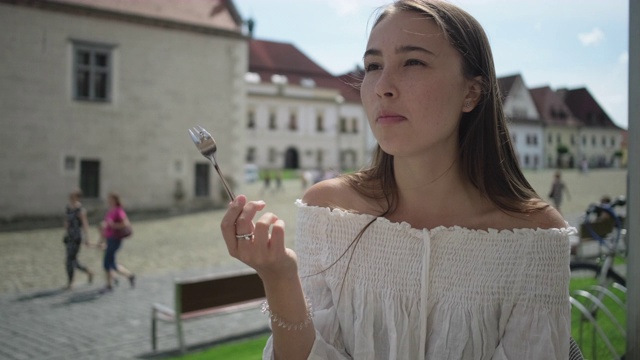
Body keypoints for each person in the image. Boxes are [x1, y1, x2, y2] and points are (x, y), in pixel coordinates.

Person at [221, 1, 574, 358]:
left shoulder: (534, 238)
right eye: (373, 66)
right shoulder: (328, 212)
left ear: (472, 92)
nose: (382, 87)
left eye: (413, 62)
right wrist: (280, 279)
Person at [98, 192, 135, 292]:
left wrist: (113, 225)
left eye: (111, 199)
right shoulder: (110, 211)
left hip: (115, 239)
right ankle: (128, 276)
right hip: (109, 238)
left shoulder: (118, 211)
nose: (109, 201)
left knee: (108, 262)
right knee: (110, 262)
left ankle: (110, 284)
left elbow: (125, 223)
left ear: (115, 200)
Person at [63, 189, 94, 289]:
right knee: (73, 260)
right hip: (69, 236)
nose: (71, 199)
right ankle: (88, 271)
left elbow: (85, 225)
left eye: (73, 197)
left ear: (78, 198)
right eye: (70, 197)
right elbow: (67, 221)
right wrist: (66, 230)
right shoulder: (68, 208)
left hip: (77, 237)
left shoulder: (80, 210)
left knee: (69, 259)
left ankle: (70, 282)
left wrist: (87, 238)